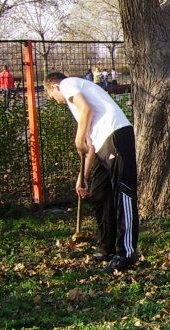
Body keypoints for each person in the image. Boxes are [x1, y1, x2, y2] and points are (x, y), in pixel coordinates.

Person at [44, 71, 140, 274]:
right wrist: (82, 178)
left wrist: (78, 139)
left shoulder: (68, 84)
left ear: (53, 87)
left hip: (117, 135)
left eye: (52, 98)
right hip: (103, 143)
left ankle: (127, 253)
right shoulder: (79, 103)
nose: (57, 102)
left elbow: (86, 113)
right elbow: (89, 147)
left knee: (123, 193)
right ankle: (108, 247)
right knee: (99, 193)